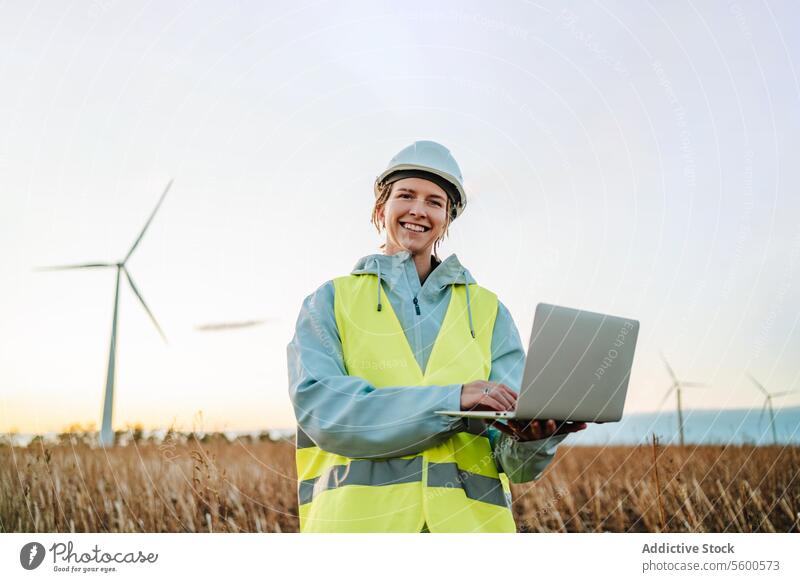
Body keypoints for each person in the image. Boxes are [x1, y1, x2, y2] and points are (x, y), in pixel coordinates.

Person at [287, 140, 586, 533]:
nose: (418, 210)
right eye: (405, 195)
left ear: (447, 219)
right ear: (381, 208)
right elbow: (325, 413)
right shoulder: (329, 302)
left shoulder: (488, 311)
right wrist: (451, 400)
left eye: (434, 201)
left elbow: (515, 465)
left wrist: (534, 439)